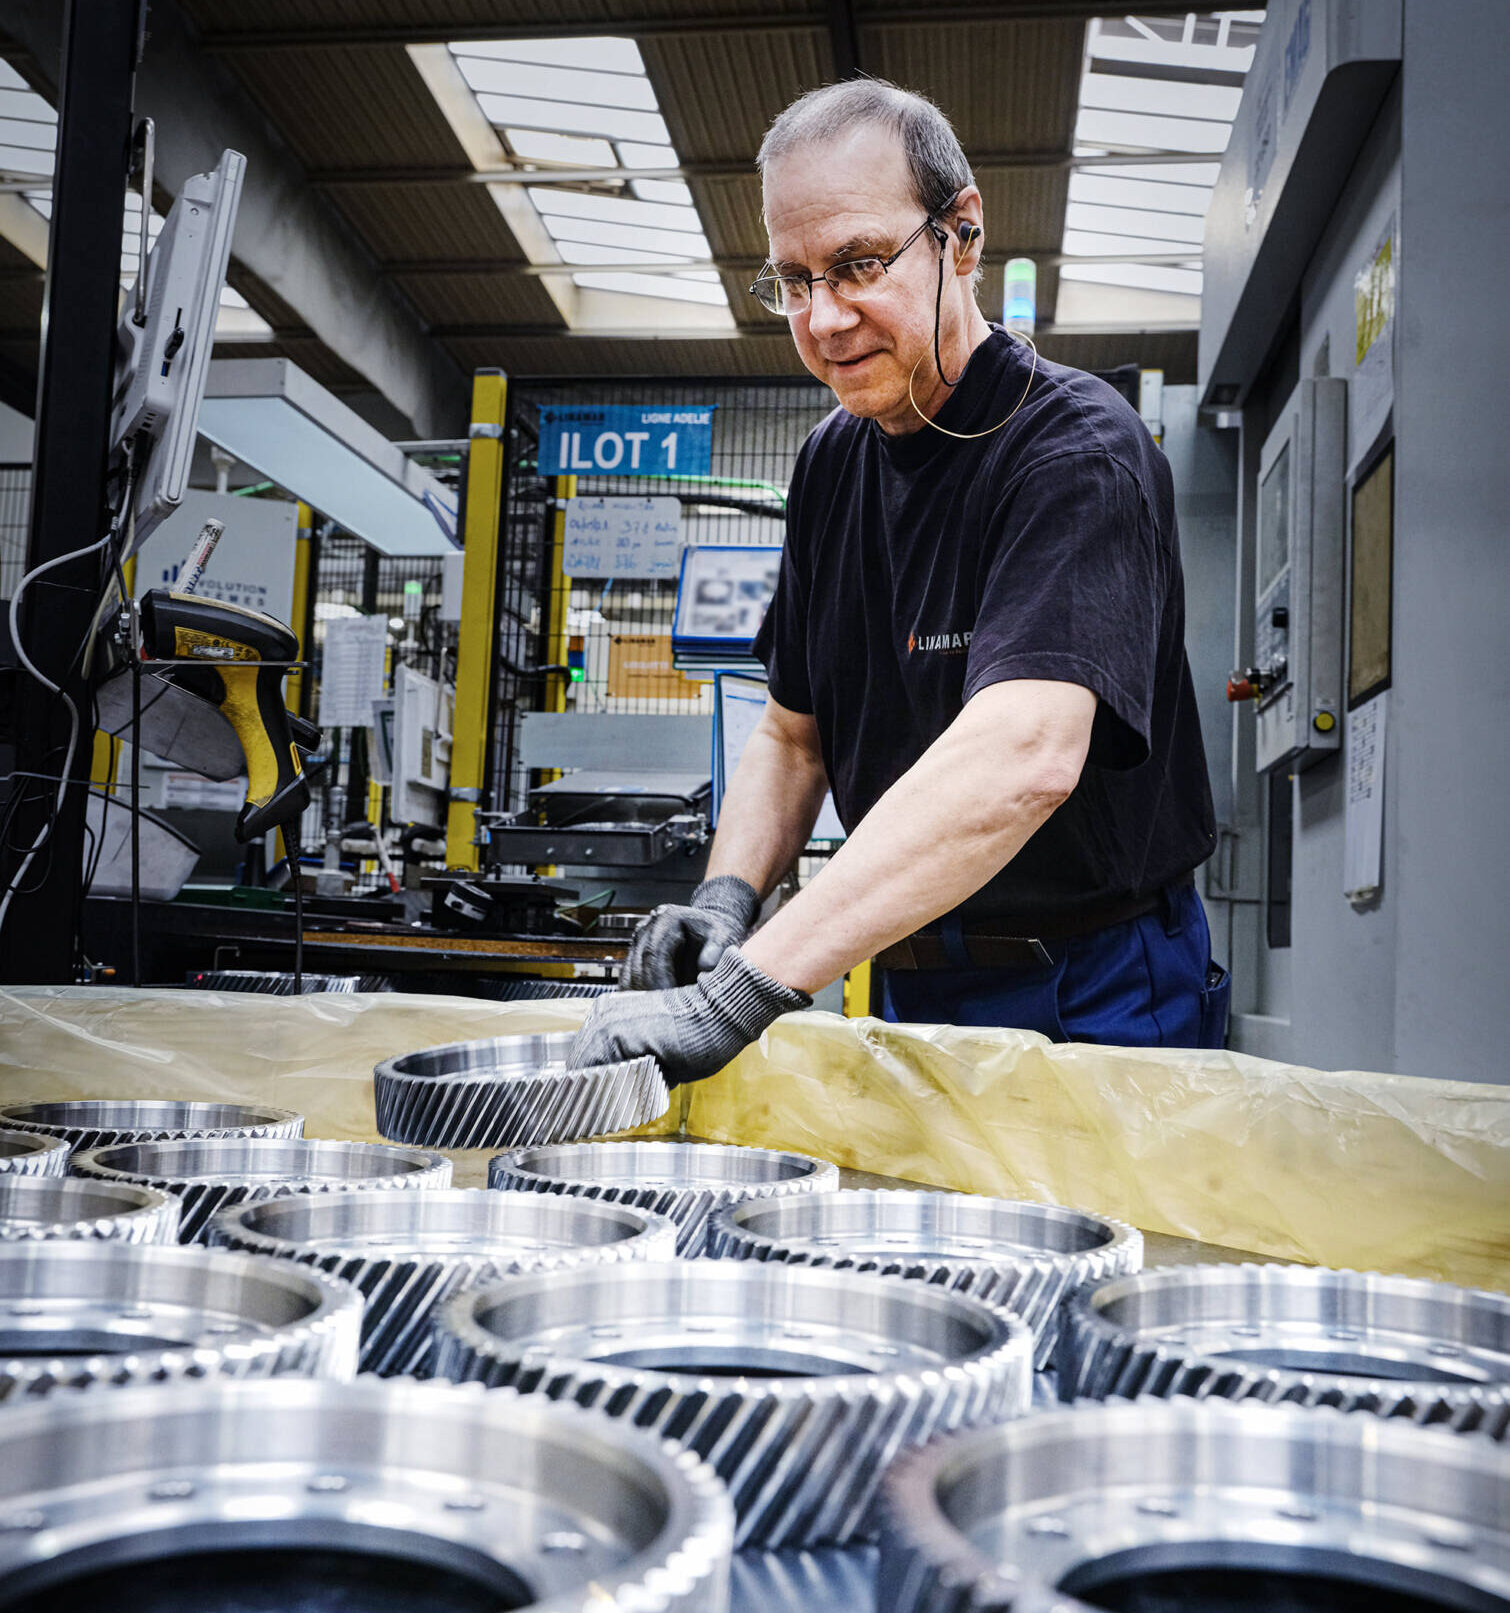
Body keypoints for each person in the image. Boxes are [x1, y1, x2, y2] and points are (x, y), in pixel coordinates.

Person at [570, 79, 1226, 1088]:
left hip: (1098, 989)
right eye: (793, 280)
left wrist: (741, 993)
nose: (824, 318)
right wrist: (724, 900)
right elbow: (794, 737)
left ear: (960, 234)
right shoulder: (831, 465)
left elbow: (1024, 757)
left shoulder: (1076, 451)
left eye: (858, 265)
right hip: (913, 981)